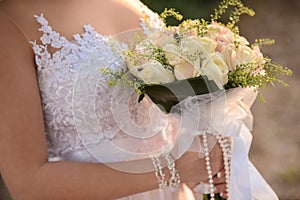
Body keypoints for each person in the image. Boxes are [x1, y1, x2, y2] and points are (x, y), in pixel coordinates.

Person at [0, 0, 227, 199]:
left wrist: (202, 157)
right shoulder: (10, 20)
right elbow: (28, 185)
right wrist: (172, 170)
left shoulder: (131, 4)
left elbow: (158, 117)